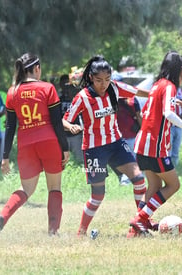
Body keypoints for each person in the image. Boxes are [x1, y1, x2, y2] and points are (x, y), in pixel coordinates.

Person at [62, 55, 149, 236]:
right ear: (92, 78)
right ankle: (81, 232)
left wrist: (159, 96)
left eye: (107, 80)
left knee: (139, 179)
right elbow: (65, 120)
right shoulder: (83, 97)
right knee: (98, 196)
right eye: (99, 80)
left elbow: (136, 91)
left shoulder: (115, 89)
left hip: (116, 144)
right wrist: (71, 126)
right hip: (94, 149)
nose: (104, 84)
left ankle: (139, 225)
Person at [0, 53, 69, 235]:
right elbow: (57, 123)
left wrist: (5, 156)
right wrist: (65, 148)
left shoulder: (12, 92)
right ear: (37, 68)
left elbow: (9, 127)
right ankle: (53, 231)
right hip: (49, 142)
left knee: (26, 188)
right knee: (54, 187)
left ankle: (2, 217)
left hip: (26, 144)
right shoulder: (48, 88)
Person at [128, 51, 182, 237]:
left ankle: (135, 231)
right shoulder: (169, 86)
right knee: (173, 185)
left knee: (154, 185)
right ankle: (140, 219)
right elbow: (168, 114)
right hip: (155, 147)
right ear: (181, 72)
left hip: (141, 145)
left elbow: (146, 113)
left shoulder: (157, 85)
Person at [115, 96, 142, 185]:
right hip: (131, 136)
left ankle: (126, 180)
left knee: (124, 160)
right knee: (132, 160)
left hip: (117, 137)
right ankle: (126, 181)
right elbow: (139, 116)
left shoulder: (110, 98)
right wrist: (143, 131)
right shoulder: (132, 99)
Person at [59, 74, 84, 163]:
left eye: (68, 84)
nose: (66, 87)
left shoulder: (77, 97)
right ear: (60, 84)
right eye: (64, 84)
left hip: (76, 133)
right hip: (63, 134)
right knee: (62, 159)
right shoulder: (58, 99)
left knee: (80, 159)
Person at [170, 87, 182, 166]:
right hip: (169, 126)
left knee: (176, 149)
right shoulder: (168, 89)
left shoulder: (180, 90)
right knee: (168, 150)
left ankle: (175, 168)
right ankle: (167, 168)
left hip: (179, 125)